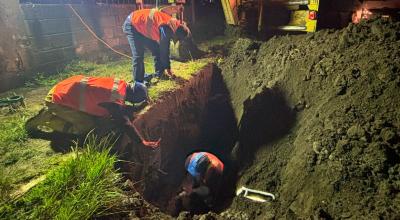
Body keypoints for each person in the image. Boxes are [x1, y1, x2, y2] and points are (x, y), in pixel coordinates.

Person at [26, 75, 159, 148]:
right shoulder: (115, 99)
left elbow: (119, 108)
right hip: (59, 100)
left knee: (97, 118)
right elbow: (124, 122)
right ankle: (48, 119)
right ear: (132, 98)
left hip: (62, 88)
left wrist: (138, 107)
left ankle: (54, 111)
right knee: (86, 126)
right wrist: (142, 142)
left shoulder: (119, 84)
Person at [122, 8, 191, 83]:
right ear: (175, 34)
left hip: (142, 27)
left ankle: (160, 74)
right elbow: (164, 50)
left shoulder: (174, 25)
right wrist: (168, 68)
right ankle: (138, 83)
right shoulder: (166, 28)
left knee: (156, 50)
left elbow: (163, 49)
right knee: (138, 55)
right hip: (132, 24)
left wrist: (167, 67)